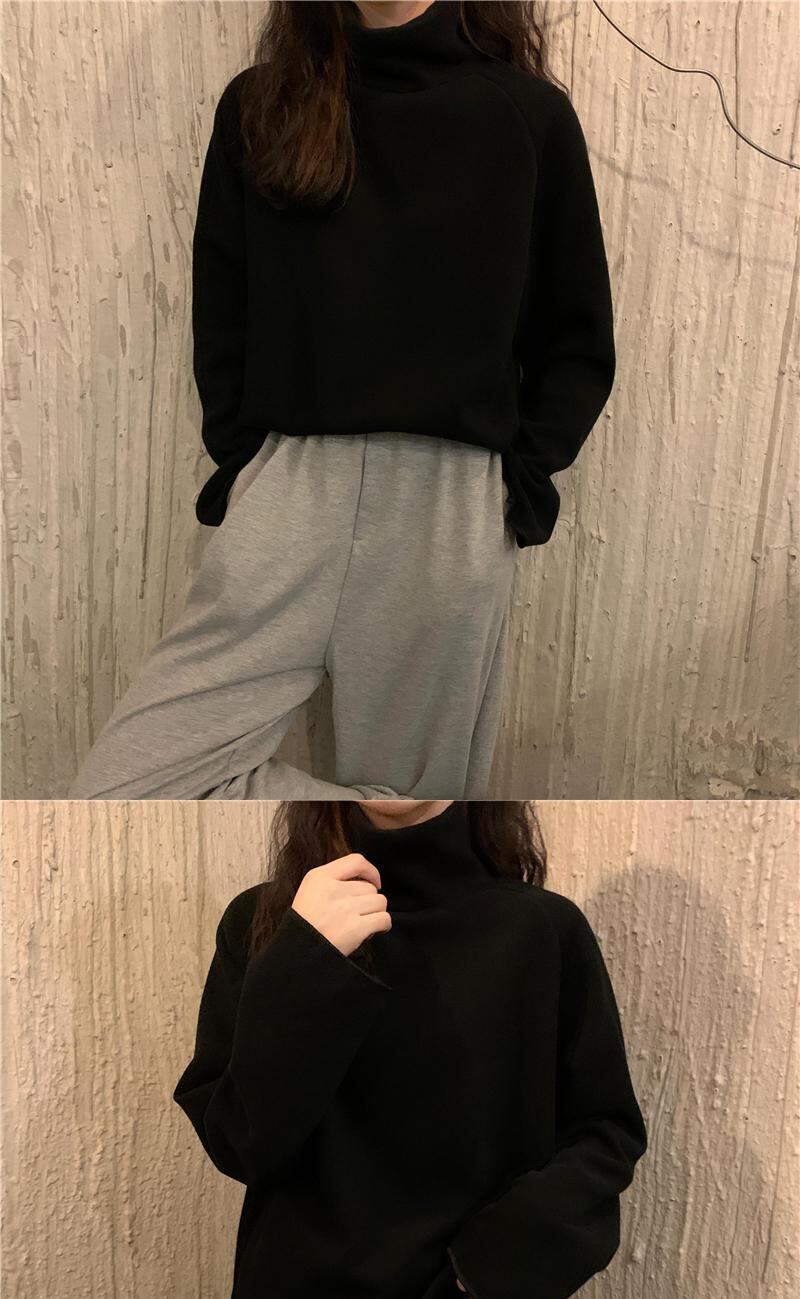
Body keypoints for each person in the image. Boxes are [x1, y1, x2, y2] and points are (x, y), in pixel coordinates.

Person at [73, 0, 615, 801]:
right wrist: (245, 466)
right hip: (289, 493)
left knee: (415, 805)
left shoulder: (527, 117)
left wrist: (515, 490)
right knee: (130, 788)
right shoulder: (264, 104)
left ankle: (406, 841)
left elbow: (575, 337)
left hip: (445, 508)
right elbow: (224, 312)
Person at [175, 798, 646, 1299]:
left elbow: (606, 1131)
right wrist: (306, 961)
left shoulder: (538, 932)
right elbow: (240, 1140)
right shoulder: (267, 923)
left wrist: (496, 1260)